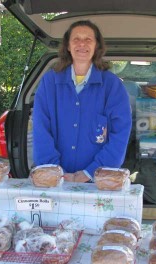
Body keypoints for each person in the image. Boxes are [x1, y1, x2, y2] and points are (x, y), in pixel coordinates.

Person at [32, 20, 132, 183]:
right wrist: (55, 172)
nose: (82, 44)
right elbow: (40, 129)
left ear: (97, 46)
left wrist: (90, 172)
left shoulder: (112, 85)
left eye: (88, 39)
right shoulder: (49, 82)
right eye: (76, 39)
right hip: (55, 180)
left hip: (98, 181)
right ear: (68, 46)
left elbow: (120, 134)